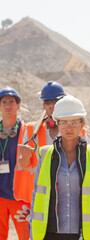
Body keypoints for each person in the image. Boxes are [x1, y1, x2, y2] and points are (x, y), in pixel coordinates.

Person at [30, 95, 90, 240]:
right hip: (50, 234)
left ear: (82, 123)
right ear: (57, 123)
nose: (69, 127)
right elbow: (37, 195)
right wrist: (32, 235)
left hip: (85, 234)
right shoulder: (46, 155)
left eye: (74, 122)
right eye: (64, 122)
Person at [18, 81, 87, 204]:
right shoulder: (31, 130)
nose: (51, 105)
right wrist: (25, 156)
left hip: (69, 194)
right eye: (47, 102)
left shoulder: (77, 129)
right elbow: (24, 165)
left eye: (55, 101)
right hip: (41, 194)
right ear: (43, 105)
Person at [0, 86, 30, 240]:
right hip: (0, 197)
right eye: (4, 102)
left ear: (18, 105)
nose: (8, 105)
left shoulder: (27, 131)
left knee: (26, 236)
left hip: (20, 197)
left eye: (12, 101)